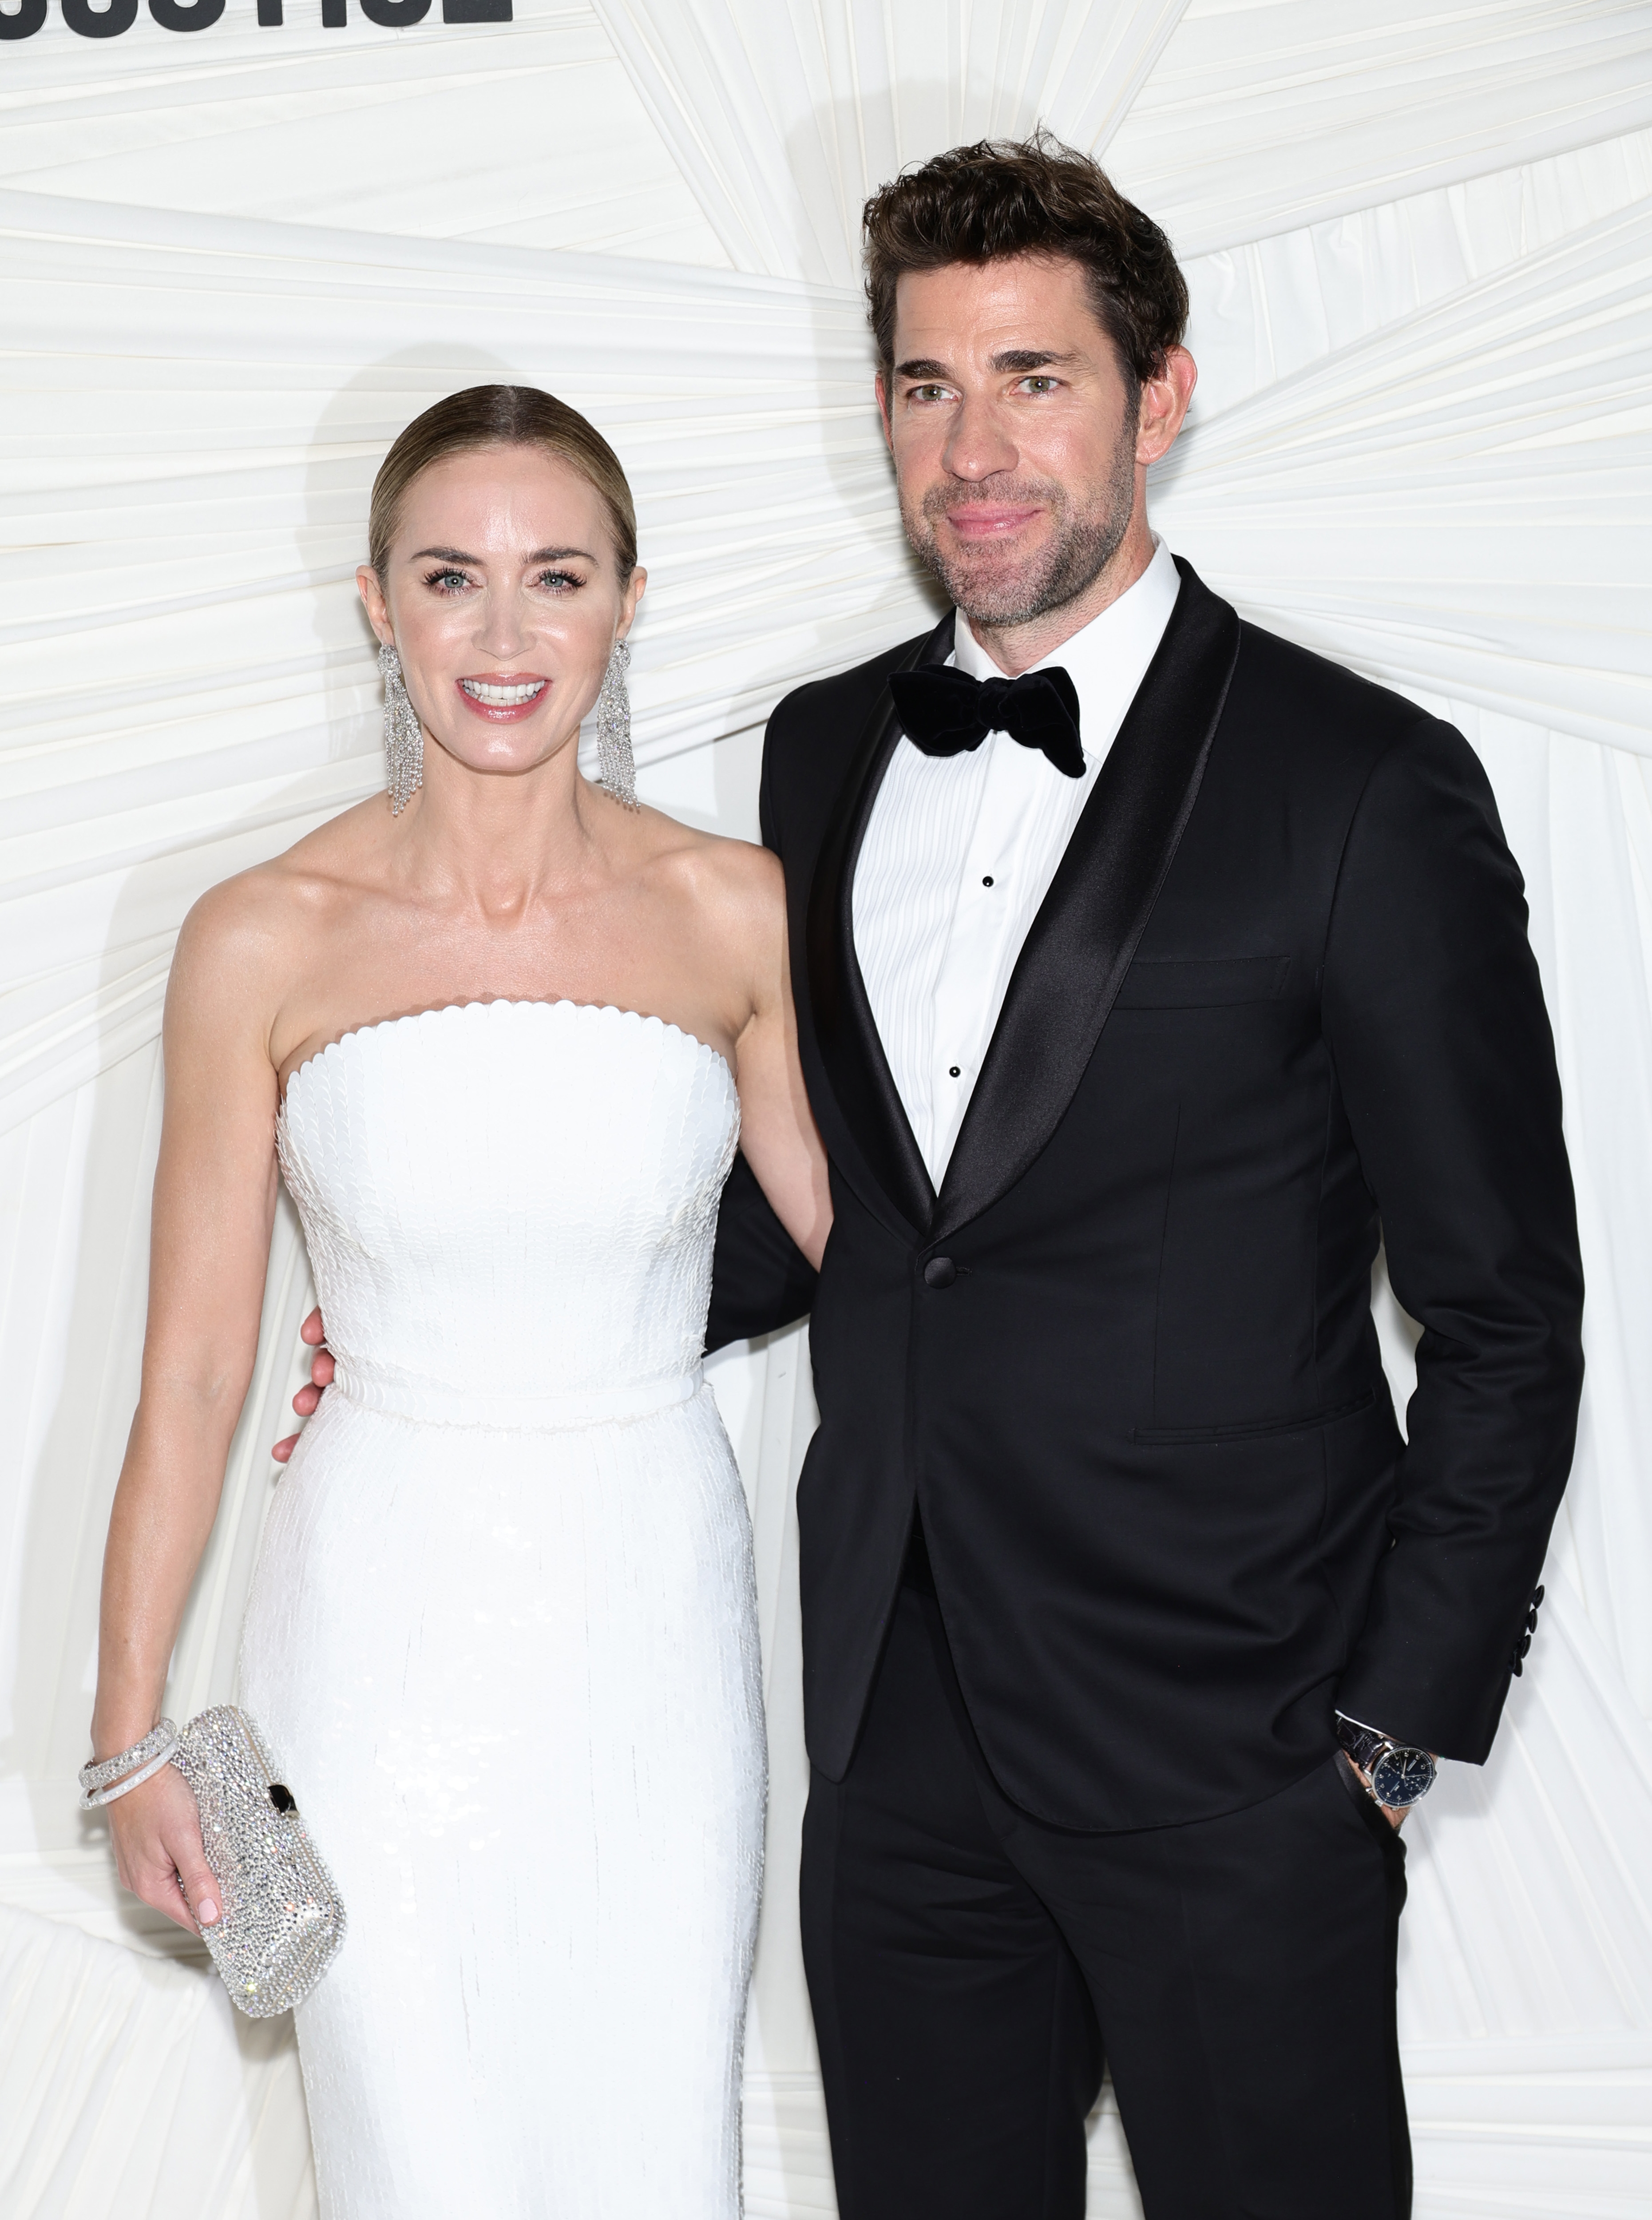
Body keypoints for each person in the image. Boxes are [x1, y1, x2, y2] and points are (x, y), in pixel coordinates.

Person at [286, 137, 1585, 2218]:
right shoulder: (820, 754)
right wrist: (485, 1309)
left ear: (1158, 396)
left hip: (1238, 1742)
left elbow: (1508, 1308)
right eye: (924, 385)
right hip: (893, 1743)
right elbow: (851, 1210)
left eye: (1033, 379)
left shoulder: (1360, 782)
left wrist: (1389, 1725)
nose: (973, 450)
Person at [88, 384, 830, 2220]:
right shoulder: (259, 932)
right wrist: (129, 1737)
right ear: (375, 603)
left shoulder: (737, 911)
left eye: (556, 576)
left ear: (629, 602)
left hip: (654, 1629)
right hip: (370, 1637)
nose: (504, 635)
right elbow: (195, 1370)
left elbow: (887, 1269)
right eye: (449, 577)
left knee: (651, 2139)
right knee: (410, 2146)